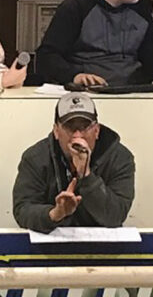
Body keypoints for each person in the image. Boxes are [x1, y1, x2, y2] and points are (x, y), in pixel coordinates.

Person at [12, 91, 135, 233]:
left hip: (103, 244)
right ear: (56, 131)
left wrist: (87, 176)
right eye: (70, 127)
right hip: (51, 245)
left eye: (84, 126)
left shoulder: (120, 158)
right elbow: (22, 210)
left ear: (96, 130)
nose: (77, 135)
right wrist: (54, 214)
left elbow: (116, 216)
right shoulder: (35, 158)